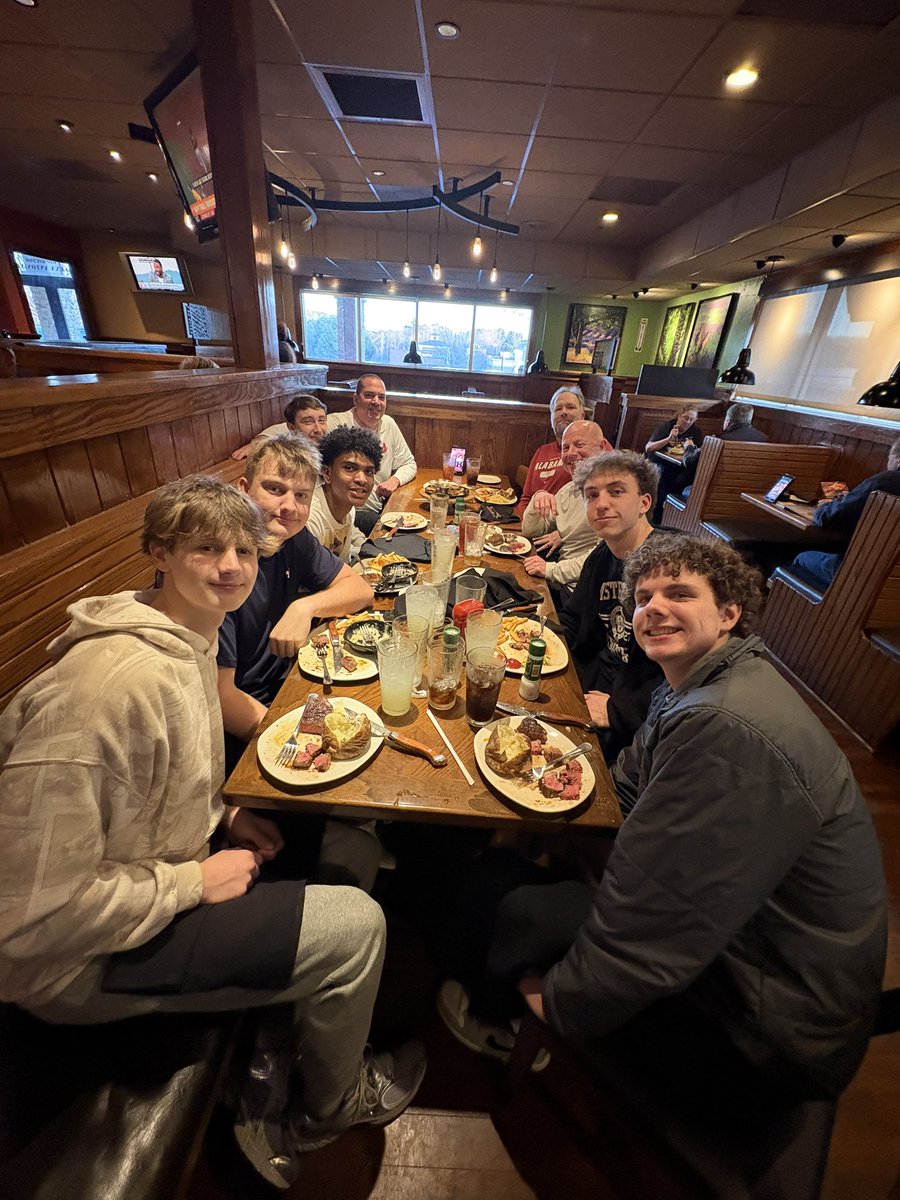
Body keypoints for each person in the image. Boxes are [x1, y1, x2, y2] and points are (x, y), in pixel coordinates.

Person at [0, 475, 425, 1190]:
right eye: (205, 548)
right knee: (357, 925)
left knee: (350, 834)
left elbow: (156, 785)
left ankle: (289, 1015)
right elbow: (25, 922)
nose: (230, 566)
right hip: (79, 962)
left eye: (242, 549)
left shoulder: (184, 641)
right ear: (157, 553)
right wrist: (195, 879)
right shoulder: (99, 692)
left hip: (156, 872)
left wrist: (225, 815)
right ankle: (327, 1111)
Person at [440, 534, 886, 1156]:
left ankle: (494, 1018)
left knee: (509, 899)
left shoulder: (727, 725)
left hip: (763, 1030)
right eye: (644, 596)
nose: (654, 607)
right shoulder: (698, 684)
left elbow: (664, 918)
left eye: (680, 593)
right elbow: (628, 786)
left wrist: (564, 1002)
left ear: (731, 611)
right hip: (743, 955)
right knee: (505, 868)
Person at [217, 435, 373, 749]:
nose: (289, 506)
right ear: (244, 490)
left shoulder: (293, 538)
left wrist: (304, 608)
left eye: (301, 495)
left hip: (292, 683)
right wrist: (289, 740)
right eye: (275, 489)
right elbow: (221, 697)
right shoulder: (223, 566)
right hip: (245, 723)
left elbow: (360, 589)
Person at [557, 450, 664, 760]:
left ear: (644, 502)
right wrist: (529, 636)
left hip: (631, 716)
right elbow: (573, 621)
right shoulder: (601, 557)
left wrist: (618, 710)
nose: (601, 504)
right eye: (592, 495)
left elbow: (689, 669)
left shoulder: (669, 564)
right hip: (591, 684)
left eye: (616, 492)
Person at [791, 436, 900, 588]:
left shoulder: (885, 481)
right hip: (892, 587)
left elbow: (831, 518)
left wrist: (824, 507)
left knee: (801, 558)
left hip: (860, 575)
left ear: (897, 459)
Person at [520, 420, 606, 597]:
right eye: (565, 448)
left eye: (579, 445)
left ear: (601, 447)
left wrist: (550, 569)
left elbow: (600, 559)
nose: (571, 453)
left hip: (582, 592)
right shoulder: (569, 489)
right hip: (562, 582)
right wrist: (539, 497)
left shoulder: (609, 496)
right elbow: (530, 531)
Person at [327, 375, 417, 534]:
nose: (376, 402)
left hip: (379, 507)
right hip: (349, 512)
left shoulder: (388, 424)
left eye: (381, 397)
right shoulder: (335, 424)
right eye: (369, 395)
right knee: (399, 532)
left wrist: (395, 480)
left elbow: (409, 463)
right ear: (356, 400)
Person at [515, 387, 612, 518]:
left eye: (570, 407)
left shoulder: (597, 447)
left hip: (567, 532)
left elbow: (607, 502)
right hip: (535, 527)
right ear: (551, 418)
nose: (564, 412)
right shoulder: (542, 451)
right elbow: (526, 498)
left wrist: (564, 532)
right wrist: (524, 525)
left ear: (582, 415)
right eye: (558, 409)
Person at [307, 426, 382, 562]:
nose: (362, 479)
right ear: (327, 473)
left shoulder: (349, 510)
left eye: (369, 471)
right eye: (349, 468)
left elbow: (344, 564)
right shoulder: (310, 519)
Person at [676, 401, 768, 489]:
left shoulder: (719, 441)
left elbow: (690, 462)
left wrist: (689, 446)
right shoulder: (763, 439)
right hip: (747, 491)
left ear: (728, 422)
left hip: (711, 492)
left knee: (676, 480)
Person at [645, 405, 704, 523]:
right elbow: (648, 448)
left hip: (680, 466)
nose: (687, 422)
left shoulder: (696, 432)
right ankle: (656, 516)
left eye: (691, 419)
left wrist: (691, 447)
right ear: (678, 416)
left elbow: (697, 452)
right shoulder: (667, 427)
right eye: (685, 418)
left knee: (689, 476)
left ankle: (673, 514)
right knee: (662, 475)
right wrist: (668, 438)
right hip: (661, 462)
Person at [232, 394, 328, 460]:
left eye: (321, 420)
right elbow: (276, 430)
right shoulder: (288, 458)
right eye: (308, 422)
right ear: (292, 428)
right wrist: (259, 442)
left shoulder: (331, 445)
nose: (318, 429)